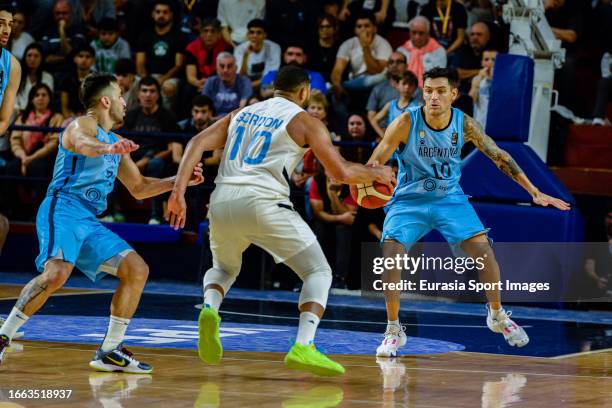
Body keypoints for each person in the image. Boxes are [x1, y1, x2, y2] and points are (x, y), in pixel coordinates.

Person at [166, 65, 395, 376]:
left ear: (274, 87)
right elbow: (340, 172)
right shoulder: (305, 121)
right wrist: (376, 173)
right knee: (318, 271)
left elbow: (195, 143)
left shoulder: (242, 113)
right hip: (263, 202)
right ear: (304, 93)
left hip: (221, 201)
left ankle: (209, 308)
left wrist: (177, 193)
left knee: (224, 268)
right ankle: (304, 345)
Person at [0, 73, 204, 369]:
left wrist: (180, 181)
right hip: (64, 208)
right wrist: (106, 149)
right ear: (106, 100)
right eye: (121, 95)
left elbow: (140, 187)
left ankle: (110, 350)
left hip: (89, 220)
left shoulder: (117, 141)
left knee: (137, 269)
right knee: (57, 273)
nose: (125, 101)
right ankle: (4, 336)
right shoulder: (82, 125)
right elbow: (82, 143)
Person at [366, 67, 570, 357]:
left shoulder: (465, 125)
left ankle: (497, 315)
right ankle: (393, 330)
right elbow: (376, 160)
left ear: (453, 94)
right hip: (409, 201)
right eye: (428, 91)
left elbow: (500, 156)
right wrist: (364, 177)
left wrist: (533, 191)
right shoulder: (404, 122)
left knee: (484, 252)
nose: (433, 96)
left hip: (449, 199)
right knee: (390, 256)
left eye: (439, 91)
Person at [122, 76, 181, 225]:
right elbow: (122, 142)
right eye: (144, 91)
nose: (148, 95)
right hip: (133, 157)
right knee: (112, 163)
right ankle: (113, 212)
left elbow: (171, 148)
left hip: (158, 157)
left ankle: (155, 215)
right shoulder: (131, 116)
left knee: (156, 164)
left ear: (158, 95)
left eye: (152, 91)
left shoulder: (167, 116)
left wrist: (147, 160)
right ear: (138, 94)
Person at [135, 0, 186, 110]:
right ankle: (132, 119)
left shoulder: (179, 36)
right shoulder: (145, 35)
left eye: (165, 12)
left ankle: (164, 119)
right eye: (158, 12)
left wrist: (162, 79)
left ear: (171, 14)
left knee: (167, 87)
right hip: (149, 76)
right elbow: (140, 63)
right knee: (133, 84)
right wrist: (147, 80)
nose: (161, 15)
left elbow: (178, 65)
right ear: (153, 14)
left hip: (170, 77)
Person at [260, 44, 327, 98]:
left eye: (298, 55)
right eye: (290, 54)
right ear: (284, 56)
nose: (294, 58)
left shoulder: (315, 76)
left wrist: (280, 90)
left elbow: (317, 95)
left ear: (304, 58)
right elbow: (264, 92)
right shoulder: (273, 74)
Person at [396, 16, 447, 87]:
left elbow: (437, 78)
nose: (417, 37)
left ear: (428, 34)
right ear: (409, 33)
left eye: (421, 33)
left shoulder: (439, 51)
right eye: (414, 32)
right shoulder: (401, 51)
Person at [185, 18, 230, 93]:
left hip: (219, 82)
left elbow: (227, 73)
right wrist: (198, 83)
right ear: (201, 33)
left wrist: (209, 84)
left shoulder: (226, 48)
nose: (209, 34)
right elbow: (191, 76)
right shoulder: (192, 47)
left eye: (213, 31)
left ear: (219, 34)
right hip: (198, 83)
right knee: (188, 89)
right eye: (205, 31)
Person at [233, 19, 281, 90]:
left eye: (259, 33)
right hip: (246, 82)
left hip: (265, 82)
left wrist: (250, 86)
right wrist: (245, 56)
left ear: (265, 35)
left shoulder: (274, 47)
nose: (255, 36)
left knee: (269, 86)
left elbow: (270, 75)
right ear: (247, 35)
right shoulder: (239, 49)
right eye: (252, 32)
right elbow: (240, 76)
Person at [371, 70, 420, 139]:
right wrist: (383, 136)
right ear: (397, 85)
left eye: (411, 84)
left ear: (415, 88)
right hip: (392, 146)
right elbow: (374, 121)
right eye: (404, 83)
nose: (407, 87)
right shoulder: (390, 105)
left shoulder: (418, 106)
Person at [203, 52, 253, 117]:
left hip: (236, 119)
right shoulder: (211, 81)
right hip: (214, 121)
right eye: (222, 66)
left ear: (236, 68)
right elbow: (204, 105)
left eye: (229, 66)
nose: (225, 70)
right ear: (217, 68)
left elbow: (242, 107)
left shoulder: (244, 81)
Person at [0, 4, 21, 136]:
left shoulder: (13, 66)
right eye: (1, 24)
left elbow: (3, 120)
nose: (6, 30)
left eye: (10, 24)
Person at [15, 43, 55, 113]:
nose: (32, 59)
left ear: (41, 59)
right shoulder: (17, 76)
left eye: (36, 56)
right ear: (25, 58)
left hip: (40, 113)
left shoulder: (48, 77)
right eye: (29, 55)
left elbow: (48, 100)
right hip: (18, 113)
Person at [468, 48, 496, 129]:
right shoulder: (477, 79)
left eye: (493, 59)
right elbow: (470, 102)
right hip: (479, 124)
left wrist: (492, 79)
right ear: (482, 63)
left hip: (495, 125)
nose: (490, 62)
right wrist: (479, 78)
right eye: (486, 59)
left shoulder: (503, 80)